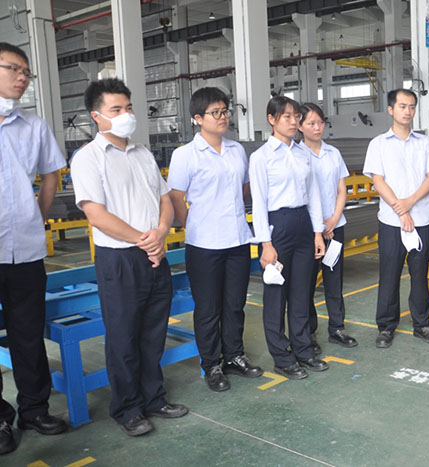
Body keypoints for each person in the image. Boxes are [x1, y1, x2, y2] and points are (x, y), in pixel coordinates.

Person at [71, 78, 188, 437]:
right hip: (120, 259)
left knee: (153, 333)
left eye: (129, 107)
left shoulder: (143, 154)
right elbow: (96, 215)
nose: (126, 114)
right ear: (97, 116)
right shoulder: (88, 158)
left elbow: (164, 200)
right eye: (116, 109)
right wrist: (144, 240)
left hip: (154, 255)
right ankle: (127, 408)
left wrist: (162, 232)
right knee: (123, 337)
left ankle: (154, 398)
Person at [167, 87, 262, 393]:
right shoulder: (185, 155)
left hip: (237, 239)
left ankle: (234, 356)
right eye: (215, 112)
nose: (223, 117)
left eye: (225, 111)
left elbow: (244, 188)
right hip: (204, 244)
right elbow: (176, 197)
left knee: (234, 304)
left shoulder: (236, 150)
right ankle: (212, 364)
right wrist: (192, 223)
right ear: (197, 118)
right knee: (208, 308)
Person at [0, 42, 68, 454]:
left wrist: (36, 216)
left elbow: (50, 174)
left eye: (26, 72)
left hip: (24, 249)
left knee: (27, 333)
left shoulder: (33, 126)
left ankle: (34, 409)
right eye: (13, 68)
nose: (22, 77)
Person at [250, 96, 328, 380]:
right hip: (277, 226)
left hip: (303, 224)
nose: (294, 121)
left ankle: (303, 350)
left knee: (301, 292)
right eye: (287, 117)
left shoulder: (302, 153)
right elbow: (259, 203)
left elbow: (314, 195)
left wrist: (317, 232)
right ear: (272, 119)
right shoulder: (261, 157)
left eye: (296, 116)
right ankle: (282, 358)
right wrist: (266, 244)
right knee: (276, 295)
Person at [363, 89, 429, 348]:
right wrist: (402, 209)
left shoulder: (425, 143)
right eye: (402, 106)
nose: (408, 111)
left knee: (420, 274)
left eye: (412, 107)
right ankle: (386, 327)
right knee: (389, 274)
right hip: (391, 221)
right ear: (391, 109)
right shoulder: (378, 144)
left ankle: (422, 324)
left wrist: (410, 202)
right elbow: (378, 181)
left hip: (422, 220)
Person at [298, 102, 358, 351]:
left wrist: (334, 218)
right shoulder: (297, 155)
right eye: (311, 123)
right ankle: (308, 331)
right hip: (308, 230)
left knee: (334, 278)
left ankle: (337, 328)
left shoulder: (333, 153)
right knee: (307, 282)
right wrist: (318, 226)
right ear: (300, 126)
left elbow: (342, 189)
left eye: (320, 122)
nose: (317, 127)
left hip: (335, 226)